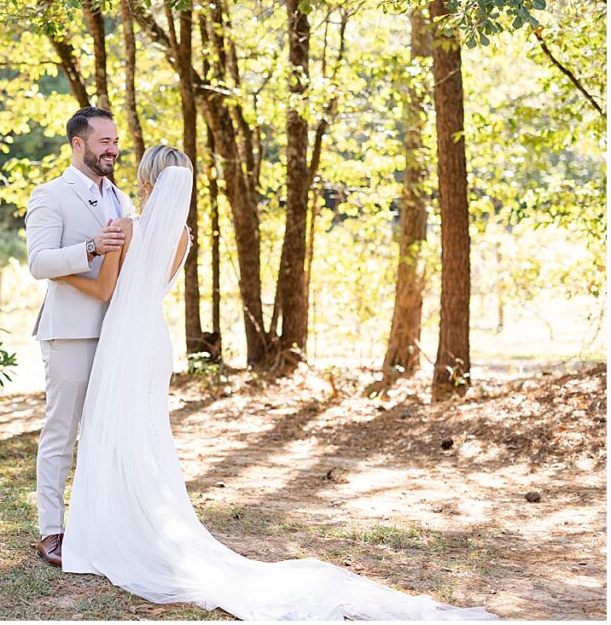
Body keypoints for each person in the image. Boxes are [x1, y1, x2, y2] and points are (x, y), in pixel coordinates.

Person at [55, 145, 499, 621]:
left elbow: (106, 289)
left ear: (148, 182)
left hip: (126, 337)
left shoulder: (129, 229)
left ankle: (113, 530)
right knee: (145, 434)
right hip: (152, 341)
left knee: (113, 431)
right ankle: (142, 523)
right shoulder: (180, 235)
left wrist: (61, 274)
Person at [24, 106, 135, 568]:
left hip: (116, 331)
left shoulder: (122, 200)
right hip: (69, 332)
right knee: (61, 432)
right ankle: (51, 530)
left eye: (114, 141)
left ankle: (96, 525)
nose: (113, 149)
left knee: (104, 434)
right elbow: (39, 263)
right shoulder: (51, 195)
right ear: (78, 144)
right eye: (104, 141)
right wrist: (91, 247)